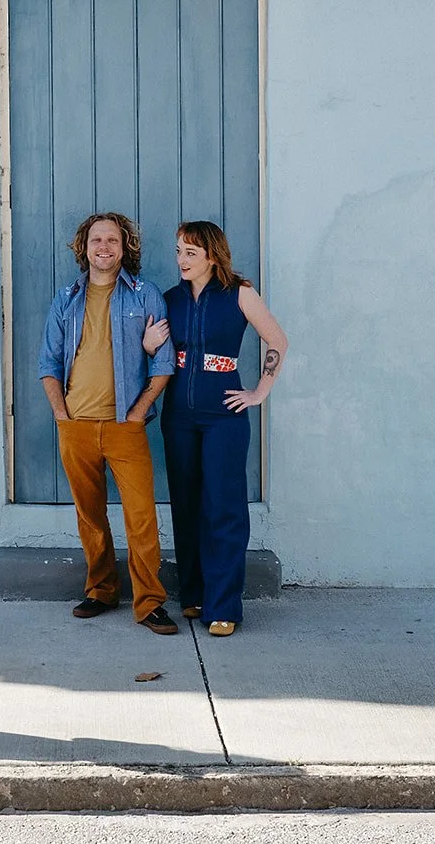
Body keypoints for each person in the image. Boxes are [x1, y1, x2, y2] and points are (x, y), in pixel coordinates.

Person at [38, 212, 180, 635]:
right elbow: (48, 362)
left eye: (112, 241)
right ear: (84, 246)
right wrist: (61, 416)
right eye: (96, 240)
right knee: (90, 515)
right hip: (76, 425)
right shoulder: (67, 298)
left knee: (141, 516)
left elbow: (165, 362)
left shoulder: (144, 296)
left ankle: (150, 602)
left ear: (125, 247)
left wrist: (138, 413)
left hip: (125, 426)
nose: (104, 247)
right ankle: (101, 589)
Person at [148, 221, 287, 637]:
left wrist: (259, 392)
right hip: (179, 417)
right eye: (178, 251)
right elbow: (158, 354)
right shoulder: (170, 299)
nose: (181, 260)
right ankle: (193, 595)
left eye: (190, 252)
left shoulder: (239, 292)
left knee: (223, 508)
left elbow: (276, 339)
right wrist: (150, 346)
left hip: (224, 417)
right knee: (186, 504)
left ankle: (224, 605)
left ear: (212, 254)